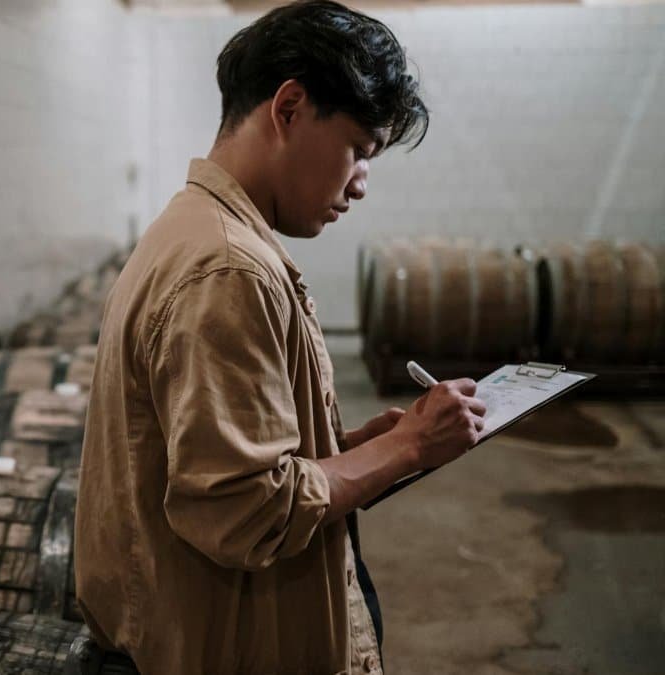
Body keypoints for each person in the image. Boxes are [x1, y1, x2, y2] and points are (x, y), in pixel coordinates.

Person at [74, 1, 488, 672]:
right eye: (358, 148)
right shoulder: (227, 267)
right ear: (289, 109)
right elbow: (244, 507)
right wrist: (411, 445)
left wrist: (363, 448)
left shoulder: (201, 230)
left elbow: (243, 460)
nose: (361, 183)